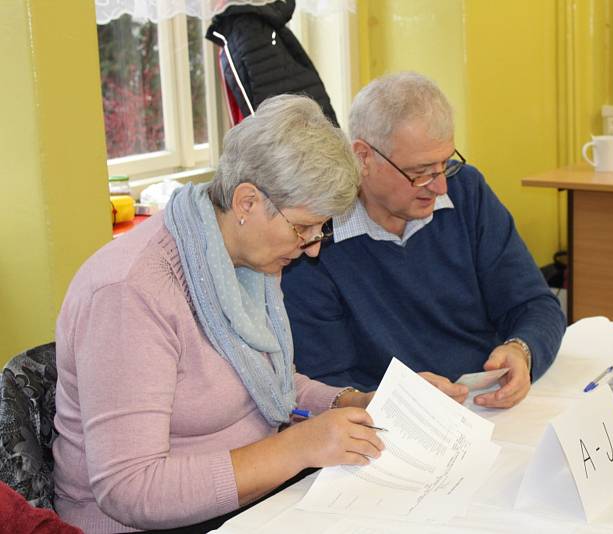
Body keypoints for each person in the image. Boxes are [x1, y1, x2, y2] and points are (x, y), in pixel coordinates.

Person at [53, 95, 383, 533]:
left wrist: (346, 402)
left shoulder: (248, 261)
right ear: (246, 202)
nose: (314, 246)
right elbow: (130, 489)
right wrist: (297, 449)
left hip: (252, 506)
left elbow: (267, 386)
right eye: (303, 228)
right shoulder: (131, 292)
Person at [282, 72, 566, 410]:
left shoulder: (465, 191)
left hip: (488, 406)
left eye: (445, 164)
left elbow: (536, 304)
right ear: (363, 157)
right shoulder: (315, 237)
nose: (440, 186)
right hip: (394, 432)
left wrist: (523, 349)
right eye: (420, 172)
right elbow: (328, 384)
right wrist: (397, 401)